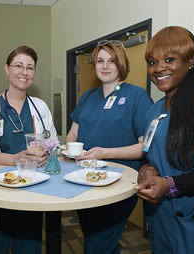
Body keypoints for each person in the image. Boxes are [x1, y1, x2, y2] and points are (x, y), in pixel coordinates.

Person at [0, 45, 57, 254]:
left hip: (32, 193)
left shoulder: (39, 107)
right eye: (19, 66)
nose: (24, 72)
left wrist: (46, 153)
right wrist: (13, 158)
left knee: (29, 249)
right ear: (7, 69)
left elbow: (52, 143)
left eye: (30, 68)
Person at [65, 40, 153, 254]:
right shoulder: (87, 97)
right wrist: (70, 149)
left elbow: (144, 147)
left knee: (97, 246)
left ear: (121, 63)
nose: (105, 66)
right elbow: (73, 133)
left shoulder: (137, 96)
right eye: (100, 61)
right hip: (85, 180)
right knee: (97, 240)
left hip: (120, 182)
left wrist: (105, 153)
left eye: (111, 61)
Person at [135, 26, 194, 253]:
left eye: (170, 59)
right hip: (162, 223)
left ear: (190, 58)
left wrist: (170, 185)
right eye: (152, 62)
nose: (158, 68)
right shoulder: (154, 111)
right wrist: (147, 169)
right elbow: (151, 156)